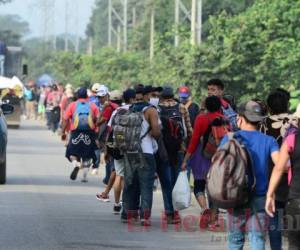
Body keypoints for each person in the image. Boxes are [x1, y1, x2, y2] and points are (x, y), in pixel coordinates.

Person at [220, 100, 279, 250]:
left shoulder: (229, 138)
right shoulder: (269, 140)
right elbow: (282, 165)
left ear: (239, 118)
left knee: (235, 241)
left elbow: (219, 165)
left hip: (236, 195)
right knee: (257, 240)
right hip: (260, 197)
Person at [260, 91, 298, 250]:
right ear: (287, 104)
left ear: (268, 107)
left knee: (274, 217)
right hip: (294, 178)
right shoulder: (296, 122)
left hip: (272, 175)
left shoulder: (263, 124)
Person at [122, 89, 161, 226]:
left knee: (131, 183)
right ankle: (145, 216)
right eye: (152, 95)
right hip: (146, 152)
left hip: (130, 151)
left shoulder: (129, 109)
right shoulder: (151, 111)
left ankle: (129, 214)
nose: (154, 97)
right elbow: (156, 132)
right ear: (146, 96)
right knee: (146, 185)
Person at [156, 86, 192, 224]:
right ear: (172, 95)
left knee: (166, 183)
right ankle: (176, 213)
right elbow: (189, 130)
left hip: (163, 150)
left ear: (161, 96)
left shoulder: (157, 108)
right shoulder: (182, 107)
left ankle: (169, 212)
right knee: (176, 181)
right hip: (179, 149)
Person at [266, 128, 300, 250]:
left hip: (296, 199)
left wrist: (270, 194)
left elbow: (279, 168)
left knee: (295, 244)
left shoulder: (292, 138)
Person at [61, 87, 100, 182]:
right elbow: (99, 118)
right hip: (89, 132)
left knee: (72, 152)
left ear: (77, 95)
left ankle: (76, 164)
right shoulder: (93, 105)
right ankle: (84, 176)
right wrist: (95, 130)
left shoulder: (72, 105)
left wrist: (63, 131)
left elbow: (65, 119)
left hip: (75, 132)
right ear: (87, 95)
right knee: (88, 154)